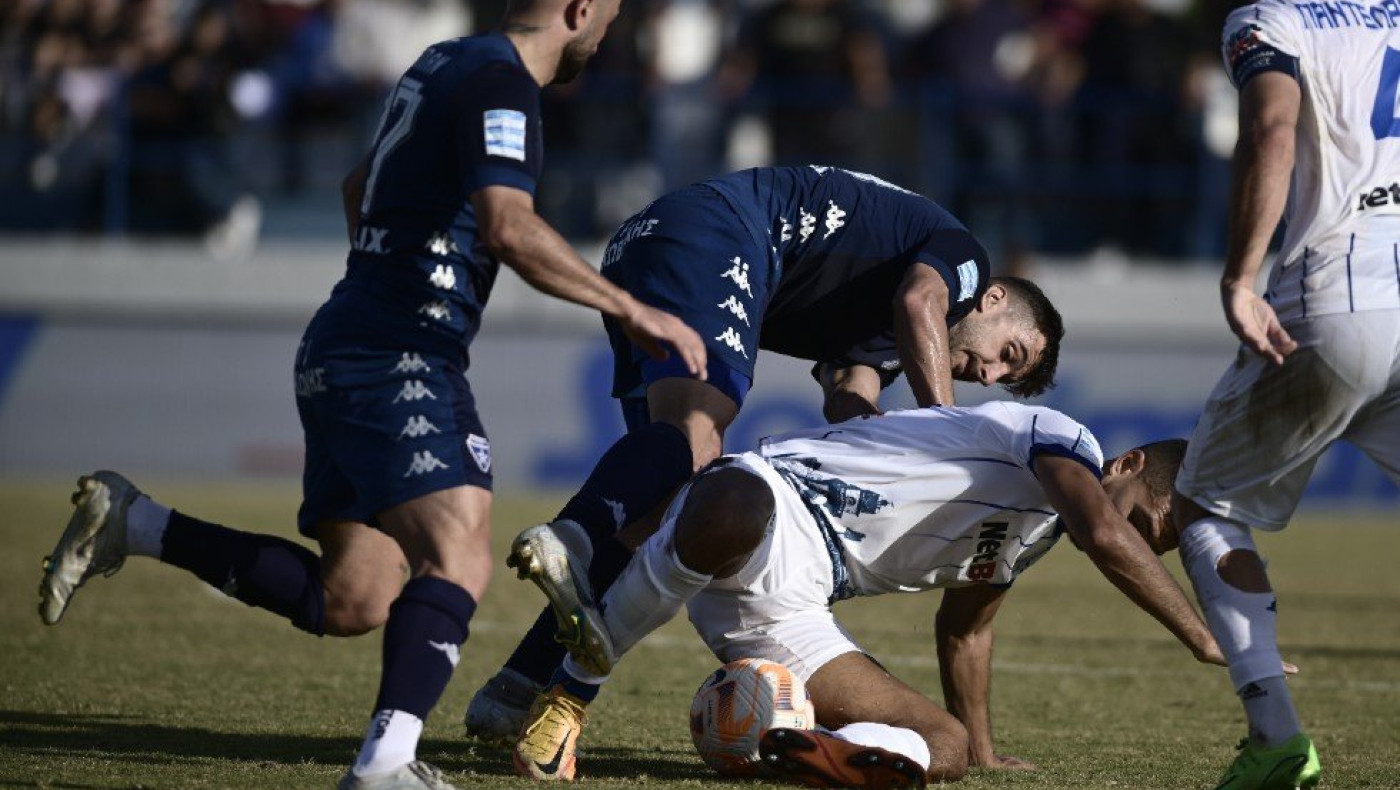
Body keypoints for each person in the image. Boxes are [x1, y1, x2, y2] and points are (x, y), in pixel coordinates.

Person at [35, 0, 707, 787]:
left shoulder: (442, 62)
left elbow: (361, 186)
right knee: (457, 550)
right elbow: (508, 227)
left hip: (344, 337)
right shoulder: (502, 84)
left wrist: (385, 280)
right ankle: (385, 766)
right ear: (579, 8)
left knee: (352, 597)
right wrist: (631, 308)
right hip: (398, 350)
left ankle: (137, 523)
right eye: (609, 17)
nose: (607, 35)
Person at [465, 165, 1067, 750]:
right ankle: (576, 535)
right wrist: (952, 433)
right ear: (991, 298)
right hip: (718, 231)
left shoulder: (881, 331)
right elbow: (918, 304)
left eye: (1002, 380)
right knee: (699, 433)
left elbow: (847, 398)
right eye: (1007, 353)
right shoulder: (964, 260)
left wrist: (895, 449)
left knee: (663, 506)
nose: (989, 373)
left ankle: (516, 687)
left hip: (647, 244)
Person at [506, 402, 1224, 784]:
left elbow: (966, 633)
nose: (1142, 545)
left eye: (1155, 548)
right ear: (1125, 464)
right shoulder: (1059, 437)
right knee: (729, 509)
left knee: (939, 753)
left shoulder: (1035, 538)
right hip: (774, 499)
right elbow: (1104, 531)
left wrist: (980, 747)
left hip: (791, 605)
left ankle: (811, 746)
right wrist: (1202, 635)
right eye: (1148, 524)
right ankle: (570, 696)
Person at [1171, 3, 1400, 788]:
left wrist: (1239, 276)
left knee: (1205, 505)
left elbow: (1272, 128)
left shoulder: (1270, 18)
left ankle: (1274, 737)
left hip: (1335, 295)